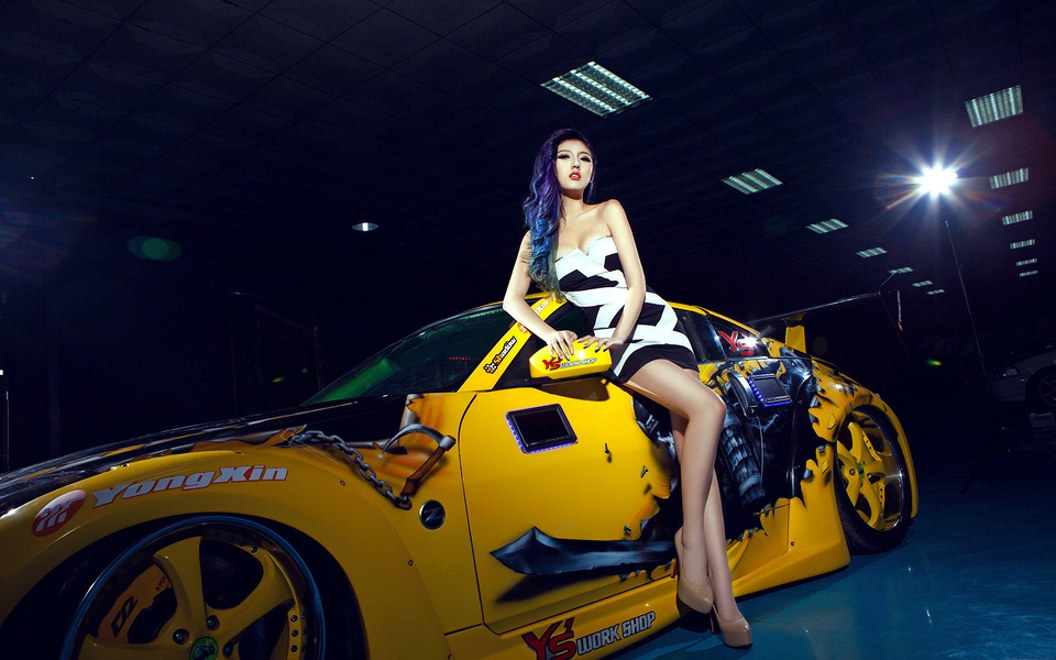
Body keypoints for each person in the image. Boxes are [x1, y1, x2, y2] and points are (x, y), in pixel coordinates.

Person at [502, 128, 752, 648]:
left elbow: (636, 283)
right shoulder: (536, 238)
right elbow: (512, 302)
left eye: (585, 158)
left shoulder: (609, 210)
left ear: (593, 170)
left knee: (698, 457)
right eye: (565, 157)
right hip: (611, 340)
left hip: (652, 325)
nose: (576, 165)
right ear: (550, 167)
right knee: (708, 411)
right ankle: (692, 546)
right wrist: (552, 334)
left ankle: (725, 603)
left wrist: (619, 336)